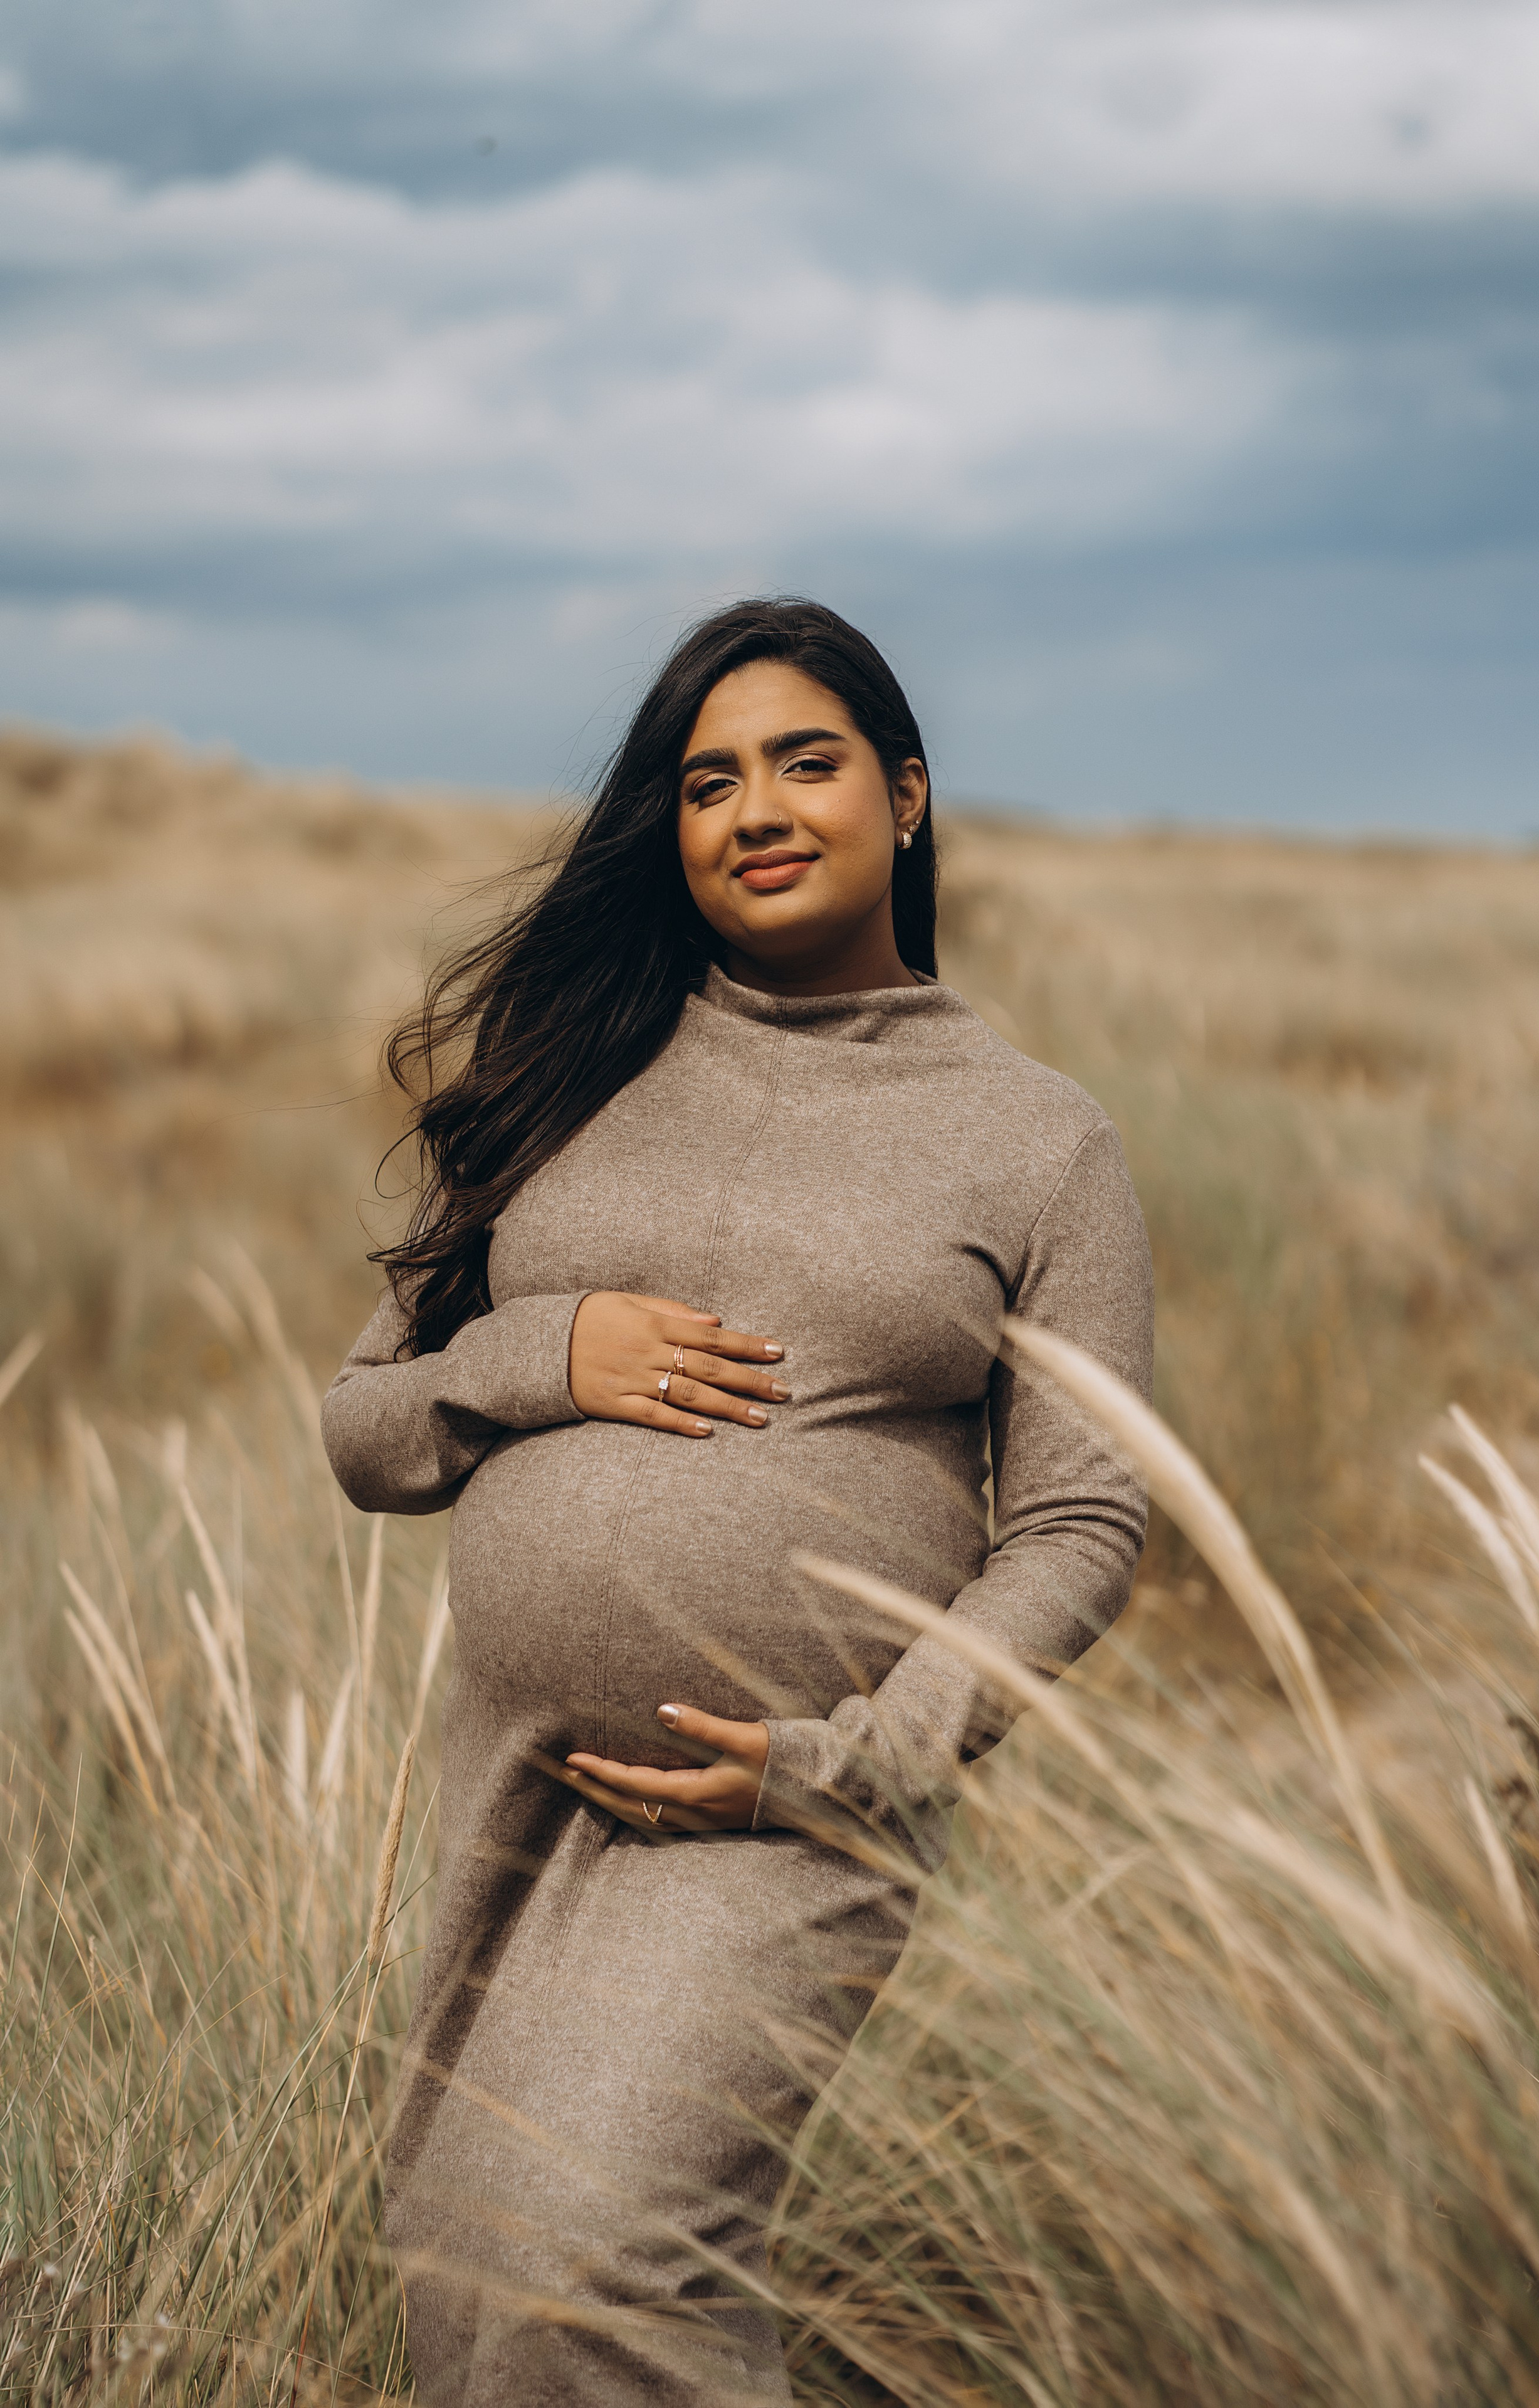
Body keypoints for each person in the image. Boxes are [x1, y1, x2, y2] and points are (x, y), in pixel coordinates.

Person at [322, 598, 1152, 2405]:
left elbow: (1085, 1525)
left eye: (806, 762)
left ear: (907, 796)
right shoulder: (565, 1083)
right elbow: (365, 1430)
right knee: (470, 2287)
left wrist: (858, 1756)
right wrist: (544, 1352)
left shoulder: (1035, 1138)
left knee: (594, 2277)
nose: (755, 809)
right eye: (708, 782)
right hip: (513, 1783)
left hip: (791, 1811)